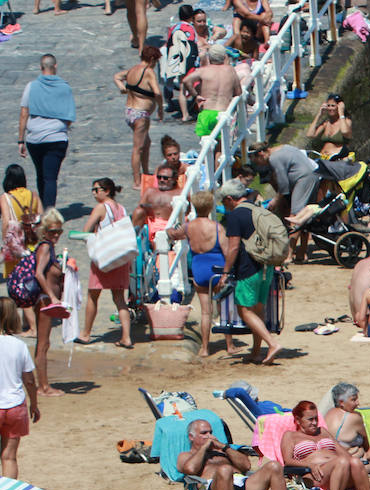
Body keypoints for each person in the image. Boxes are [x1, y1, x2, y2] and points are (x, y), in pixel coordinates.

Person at [174, 417, 289, 490]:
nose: (209, 436)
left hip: (241, 484)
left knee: (274, 466)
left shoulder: (223, 451)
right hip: (208, 488)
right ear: (191, 437)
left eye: (210, 432)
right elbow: (190, 469)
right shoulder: (186, 455)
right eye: (204, 433)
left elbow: (246, 465)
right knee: (225, 469)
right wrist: (204, 448)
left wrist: (224, 447)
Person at [166, 189, 238, 357]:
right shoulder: (217, 227)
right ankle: (229, 345)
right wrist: (227, 273)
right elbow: (227, 251)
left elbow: (174, 234)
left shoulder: (188, 227)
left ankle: (205, 348)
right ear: (211, 205)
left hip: (199, 267)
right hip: (217, 268)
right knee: (224, 309)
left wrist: (169, 230)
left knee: (205, 311)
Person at [217, 179, 282, 364]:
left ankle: (271, 343)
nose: (224, 205)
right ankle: (255, 351)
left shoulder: (236, 216)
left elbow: (234, 247)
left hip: (248, 268)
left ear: (230, 199)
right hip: (266, 266)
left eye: (224, 201)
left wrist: (225, 272)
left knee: (244, 310)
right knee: (258, 309)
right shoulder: (258, 209)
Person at [279, 400, 370, 490]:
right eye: (310, 419)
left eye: (316, 419)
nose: (314, 423)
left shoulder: (322, 431)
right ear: (298, 420)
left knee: (355, 461)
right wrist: (310, 465)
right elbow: (287, 461)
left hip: (339, 471)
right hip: (313, 475)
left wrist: (355, 458)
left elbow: (342, 452)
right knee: (342, 462)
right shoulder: (291, 436)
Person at [10, 210, 66, 397]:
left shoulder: (48, 246)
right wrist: (53, 296)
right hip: (44, 301)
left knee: (45, 343)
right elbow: (39, 274)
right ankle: (43, 386)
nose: (56, 235)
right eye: (52, 231)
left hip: (45, 300)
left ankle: (42, 384)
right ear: (44, 231)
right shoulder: (45, 247)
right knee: (43, 344)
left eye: (59, 231)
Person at [80, 179, 133, 349]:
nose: (94, 193)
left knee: (93, 295)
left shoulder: (101, 207)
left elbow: (86, 230)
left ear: (107, 190)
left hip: (104, 257)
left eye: (96, 190)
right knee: (119, 299)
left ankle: (86, 334)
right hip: (120, 258)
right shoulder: (122, 208)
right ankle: (126, 337)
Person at [19, 55, 74, 209]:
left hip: (34, 139)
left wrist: (20, 140)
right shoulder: (65, 87)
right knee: (50, 178)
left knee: (40, 175)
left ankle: (43, 207)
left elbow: (24, 113)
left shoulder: (31, 86)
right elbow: (69, 116)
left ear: (41, 67)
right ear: (55, 66)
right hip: (56, 138)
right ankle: (48, 211)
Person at [0, 302, 38, 479]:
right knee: (9, 457)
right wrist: (34, 404)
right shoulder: (19, 346)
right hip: (15, 406)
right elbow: (29, 381)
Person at [115, 47, 164, 184]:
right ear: (152, 59)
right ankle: (137, 181)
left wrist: (122, 88)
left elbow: (117, 76)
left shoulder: (132, 70)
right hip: (140, 114)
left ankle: (146, 173)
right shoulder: (148, 72)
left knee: (146, 143)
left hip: (130, 110)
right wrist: (160, 108)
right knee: (138, 147)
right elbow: (157, 93)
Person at [183, 45, 241, 142]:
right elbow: (238, 93)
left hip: (207, 112)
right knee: (221, 149)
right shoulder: (230, 71)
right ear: (224, 57)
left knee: (206, 148)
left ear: (209, 57)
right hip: (223, 112)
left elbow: (186, 81)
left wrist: (196, 96)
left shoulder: (204, 71)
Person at [1, 166, 39, 287]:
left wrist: (4, 242)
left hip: (15, 245)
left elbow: (6, 222)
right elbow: (43, 218)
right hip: (32, 243)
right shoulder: (33, 195)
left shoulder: (5, 197)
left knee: (14, 281)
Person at [322, 382, 368, 459]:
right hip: (347, 458)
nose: (358, 403)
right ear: (341, 402)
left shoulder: (328, 413)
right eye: (353, 400)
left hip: (328, 457)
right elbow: (366, 443)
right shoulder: (354, 417)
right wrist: (361, 451)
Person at [307, 94, 352, 158]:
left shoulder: (346, 121)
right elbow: (310, 135)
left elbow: (345, 132)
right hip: (324, 158)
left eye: (333, 106)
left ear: (339, 106)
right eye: (328, 106)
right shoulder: (326, 123)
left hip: (338, 158)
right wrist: (319, 115)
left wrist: (341, 112)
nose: (330, 108)